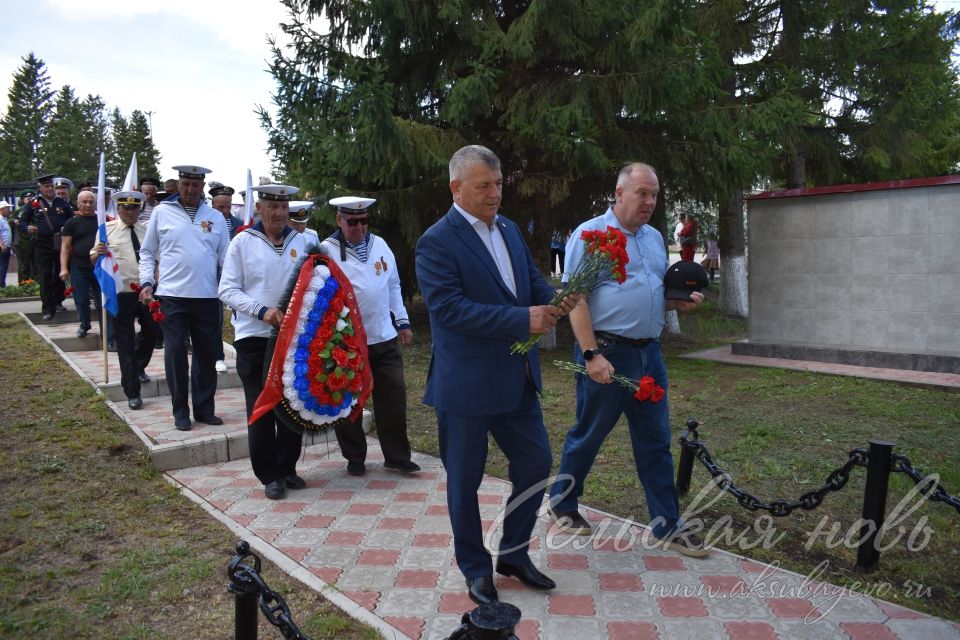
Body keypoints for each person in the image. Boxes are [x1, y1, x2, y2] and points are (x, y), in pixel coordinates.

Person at [416, 144, 578, 606]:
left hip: (516, 382)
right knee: (463, 482)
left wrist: (559, 299)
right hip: (465, 386)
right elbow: (448, 311)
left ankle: (513, 553)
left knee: (535, 464)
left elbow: (530, 281)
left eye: (499, 184)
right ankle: (474, 567)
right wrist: (519, 319)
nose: (494, 194)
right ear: (456, 188)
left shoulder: (508, 229)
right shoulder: (437, 241)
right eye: (484, 186)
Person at [547, 162, 708, 559]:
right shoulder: (591, 235)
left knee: (656, 440)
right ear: (619, 194)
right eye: (642, 193)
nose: (650, 201)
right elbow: (576, 299)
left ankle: (667, 523)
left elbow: (652, 293)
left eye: (654, 194)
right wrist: (591, 354)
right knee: (589, 434)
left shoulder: (653, 238)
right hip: (607, 352)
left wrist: (678, 303)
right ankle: (563, 503)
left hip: (649, 354)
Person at [219, 184, 309, 500]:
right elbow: (227, 290)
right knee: (262, 406)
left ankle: (288, 467)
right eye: (273, 207)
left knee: (292, 404)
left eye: (284, 207)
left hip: (295, 339)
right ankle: (268, 474)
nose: (280, 213)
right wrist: (262, 311)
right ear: (259, 207)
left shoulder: (305, 241)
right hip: (254, 338)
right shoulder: (242, 243)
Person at [322, 196, 420, 476]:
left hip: (384, 337)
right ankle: (355, 457)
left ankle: (397, 456)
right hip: (346, 342)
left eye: (364, 220)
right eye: (352, 221)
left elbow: (392, 284)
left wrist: (402, 321)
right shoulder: (326, 251)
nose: (359, 227)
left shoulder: (380, 245)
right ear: (339, 220)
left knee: (393, 398)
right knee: (349, 402)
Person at [138, 165, 229, 431]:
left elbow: (226, 257)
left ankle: (204, 408)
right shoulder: (162, 212)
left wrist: (233, 286)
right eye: (185, 184)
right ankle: (180, 410)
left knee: (206, 354)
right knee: (176, 351)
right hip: (171, 295)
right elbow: (147, 252)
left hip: (207, 296)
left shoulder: (215, 217)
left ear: (203, 187)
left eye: (195, 185)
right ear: (179, 184)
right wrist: (146, 282)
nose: (190, 189)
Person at [92, 191, 161, 409]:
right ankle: (132, 391)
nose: (129, 212)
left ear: (139, 209)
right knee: (125, 341)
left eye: (133, 208)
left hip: (146, 291)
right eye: (124, 208)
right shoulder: (106, 230)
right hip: (121, 293)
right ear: (118, 208)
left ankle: (138, 365)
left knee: (153, 332)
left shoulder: (147, 230)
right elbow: (93, 257)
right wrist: (97, 253)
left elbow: (156, 258)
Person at [20, 174, 73, 320]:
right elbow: (22, 221)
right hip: (42, 243)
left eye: (51, 186)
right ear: (40, 188)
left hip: (60, 242)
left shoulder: (61, 202)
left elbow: (71, 220)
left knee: (61, 272)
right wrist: (28, 227)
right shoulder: (34, 203)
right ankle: (47, 308)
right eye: (46, 186)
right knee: (45, 274)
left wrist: (67, 229)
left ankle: (58, 301)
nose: (50, 189)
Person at [208, 183, 242, 374]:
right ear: (213, 205)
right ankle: (218, 356)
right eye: (221, 207)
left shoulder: (239, 224)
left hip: (236, 276)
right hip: (213, 276)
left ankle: (240, 351)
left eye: (228, 206)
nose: (225, 210)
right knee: (217, 318)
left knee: (239, 316)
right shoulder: (207, 223)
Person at [59, 190, 103, 338]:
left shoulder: (103, 221)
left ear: (96, 204)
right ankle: (85, 325)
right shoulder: (71, 223)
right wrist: (64, 268)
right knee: (82, 299)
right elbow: (65, 247)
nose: (88, 205)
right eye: (84, 202)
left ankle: (108, 334)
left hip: (100, 268)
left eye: (91, 202)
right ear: (78, 204)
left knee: (103, 301)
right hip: (79, 268)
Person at [15, 190, 38, 284]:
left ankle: (36, 282)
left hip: (36, 239)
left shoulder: (36, 209)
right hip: (25, 239)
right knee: (25, 263)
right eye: (27, 198)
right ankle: (24, 283)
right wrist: (15, 221)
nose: (29, 199)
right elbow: (14, 220)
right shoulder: (21, 210)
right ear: (23, 200)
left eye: (31, 197)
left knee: (36, 262)